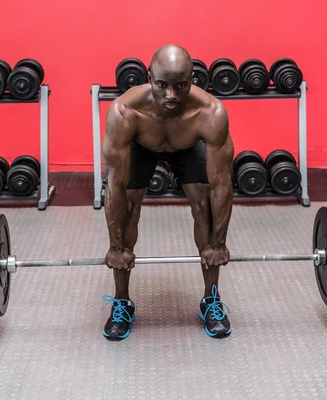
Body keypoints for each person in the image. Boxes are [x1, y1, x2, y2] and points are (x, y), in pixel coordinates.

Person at [100, 44, 235, 340]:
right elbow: (115, 186)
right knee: (129, 212)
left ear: (193, 79)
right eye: (162, 85)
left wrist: (219, 243)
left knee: (205, 209)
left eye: (181, 86)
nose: (171, 95)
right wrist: (116, 247)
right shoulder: (125, 111)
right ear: (149, 78)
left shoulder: (210, 113)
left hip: (187, 146)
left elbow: (222, 184)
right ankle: (121, 302)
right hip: (140, 145)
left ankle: (211, 300)